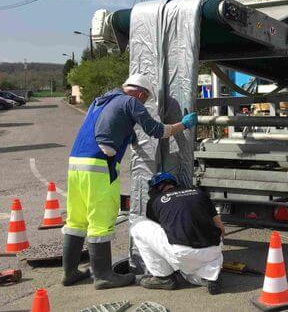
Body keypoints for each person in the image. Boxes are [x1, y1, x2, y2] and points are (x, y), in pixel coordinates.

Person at [62, 74, 198, 289]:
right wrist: (183, 125)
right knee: (101, 220)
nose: (142, 104)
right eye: (144, 100)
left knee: (76, 219)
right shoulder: (131, 102)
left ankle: (69, 273)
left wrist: (128, 135)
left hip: (76, 164)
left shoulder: (102, 101)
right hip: (99, 167)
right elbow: (157, 130)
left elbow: (107, 126)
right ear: (141, 94)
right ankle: (104, 276)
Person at [131, 172, 224, 295]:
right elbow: (221, 229)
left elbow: (160, 228)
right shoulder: (199, 193)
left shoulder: (155, 201)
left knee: (138, 225)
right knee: (190, 272)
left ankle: (163, 278)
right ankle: (209, 277)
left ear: (156, 188)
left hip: (183, 251)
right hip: (213, 250)